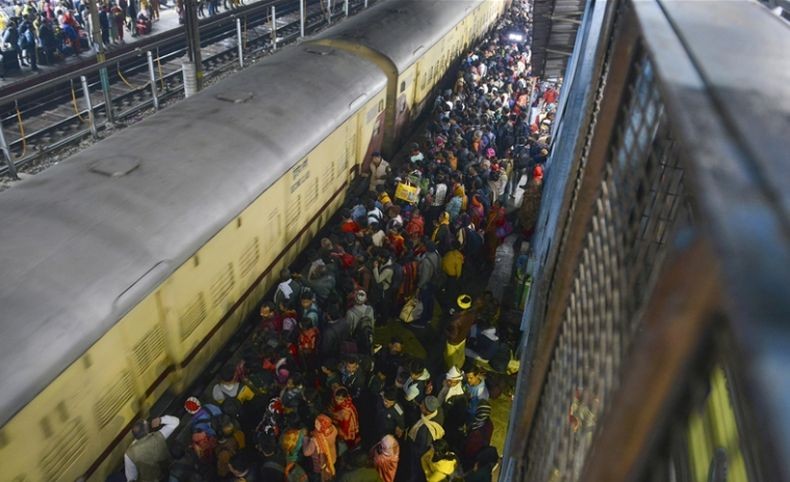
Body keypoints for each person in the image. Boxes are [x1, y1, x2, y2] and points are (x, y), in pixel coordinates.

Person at [124, 415, 180, 482]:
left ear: (133, 433)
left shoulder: (129, 454)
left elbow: (131, 478)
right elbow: (176, 422)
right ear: (147, 430)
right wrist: (161, 419)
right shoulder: (158, 436)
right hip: (165, 475)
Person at [303, 414, 338, 482]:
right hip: (332, 459)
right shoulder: (333, 429)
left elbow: (306, 453)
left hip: (320, 467)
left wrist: (305, 438)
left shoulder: (315, 440)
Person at [330, 386, 361, 451]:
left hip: (346, 430)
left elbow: (347, 425)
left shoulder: (347, 410)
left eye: (341, 399)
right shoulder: (336, 404)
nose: (338, 401)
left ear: (345, 398)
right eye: (337, 398)